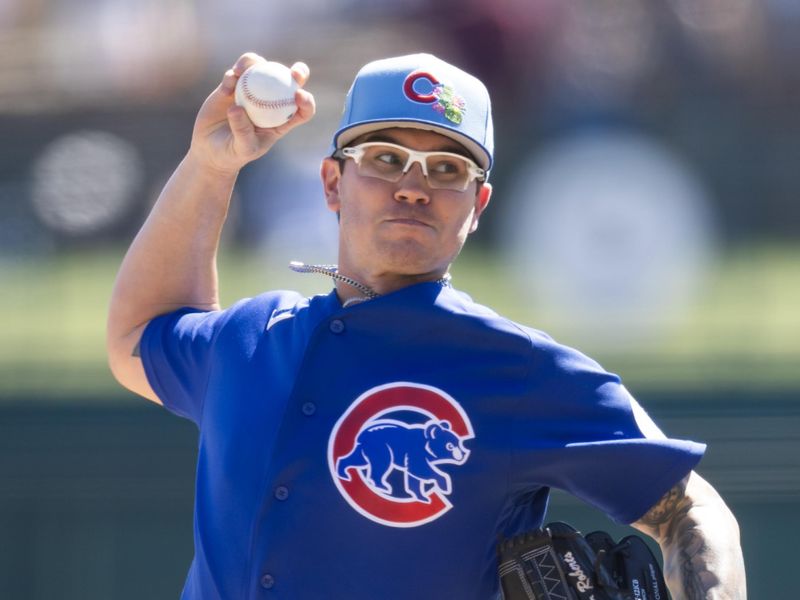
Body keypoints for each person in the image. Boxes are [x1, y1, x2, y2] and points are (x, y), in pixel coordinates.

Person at [106, 52, 746, 599]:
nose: (414, 187)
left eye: (448, 170)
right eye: (385, 158)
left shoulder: (514, 368)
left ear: (477, 206)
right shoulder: (253, 339)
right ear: (333, 182)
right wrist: (210, 167)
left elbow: (691, 506)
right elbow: (140, 337)